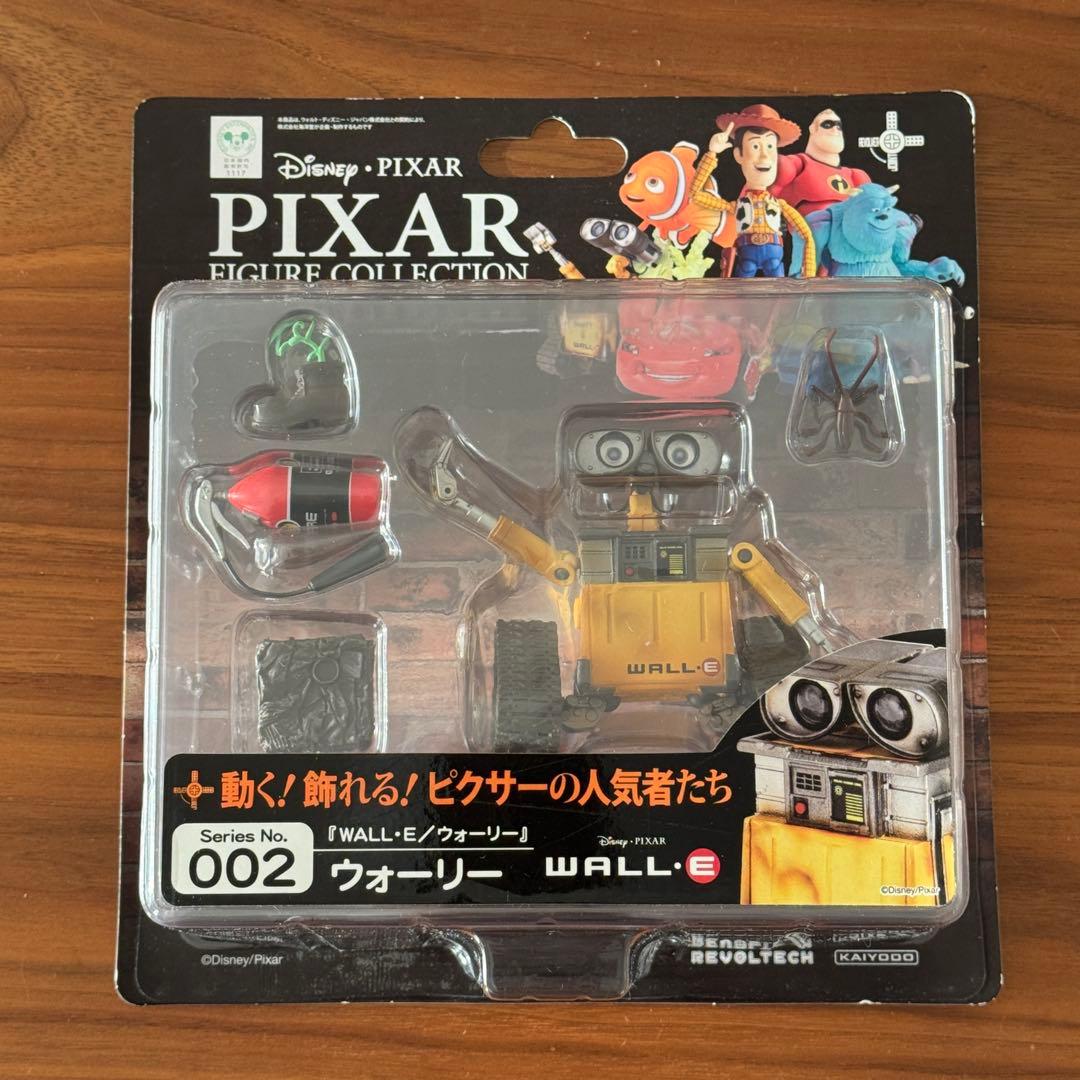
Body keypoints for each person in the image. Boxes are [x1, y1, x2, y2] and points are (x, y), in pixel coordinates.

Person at [690, 104, 815, 278]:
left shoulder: (779, 205)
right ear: (738, 155)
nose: (764, 156)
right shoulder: (737, 206)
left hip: (774, 257)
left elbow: (806, 235)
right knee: (743, 285)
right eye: (755, 146)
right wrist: (712, 153)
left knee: (779, 288)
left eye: (770, 146)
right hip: (746, 256)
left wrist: (809, 275)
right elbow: (696, 194)